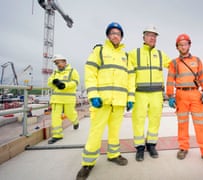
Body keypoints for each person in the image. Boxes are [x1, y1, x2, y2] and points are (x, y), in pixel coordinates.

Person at [76, 22, 135, 179]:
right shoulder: (99, 51)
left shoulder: (126, 56)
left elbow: (131, 78)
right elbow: (90, 72)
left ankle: (113, 154)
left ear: (121, 37)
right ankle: (88, 163)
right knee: (96, 132)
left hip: (119, 102)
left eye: (118, 33)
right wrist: (93, 95)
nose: (115, 35)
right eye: (112, 33)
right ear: (108, 35)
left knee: (115, 131)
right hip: (101, 101)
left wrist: (130, 97)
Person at [166, 34, 203, 169]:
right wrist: (170, 96)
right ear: (177, 47)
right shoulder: (174, 63)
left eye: (185, 44)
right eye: (180, 44)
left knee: (201, 125)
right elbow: (170, 80)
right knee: (182, 124)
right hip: (181, 95)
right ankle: (183, 148)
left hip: (196, 95)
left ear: (189, 45)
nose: (183, 46)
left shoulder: (197, 60)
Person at [128, 25, 171, 161]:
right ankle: (140, 147)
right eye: (149, 35)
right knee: (138, 121)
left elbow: (174, 66)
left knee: (155, 120)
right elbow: (128, 75)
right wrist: (129, 95)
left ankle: (151, 145)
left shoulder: (160, 54)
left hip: (156, 94)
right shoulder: (134, 53)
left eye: (154, 36)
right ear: (144, 37)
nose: (152, 38)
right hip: (140, 93)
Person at [47, 54, 80, 144]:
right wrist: (54, 82)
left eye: (58, 63)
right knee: (55, 117)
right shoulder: (55, 73)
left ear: (64, 62)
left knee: (70, 113)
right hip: (56, 99)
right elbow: (49, 83)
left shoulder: (72, 71)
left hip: (68, 98)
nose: (58, 65)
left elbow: (76, 82)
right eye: (56, 63)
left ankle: (75, 121)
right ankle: (57, 135)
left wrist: (65, 85)